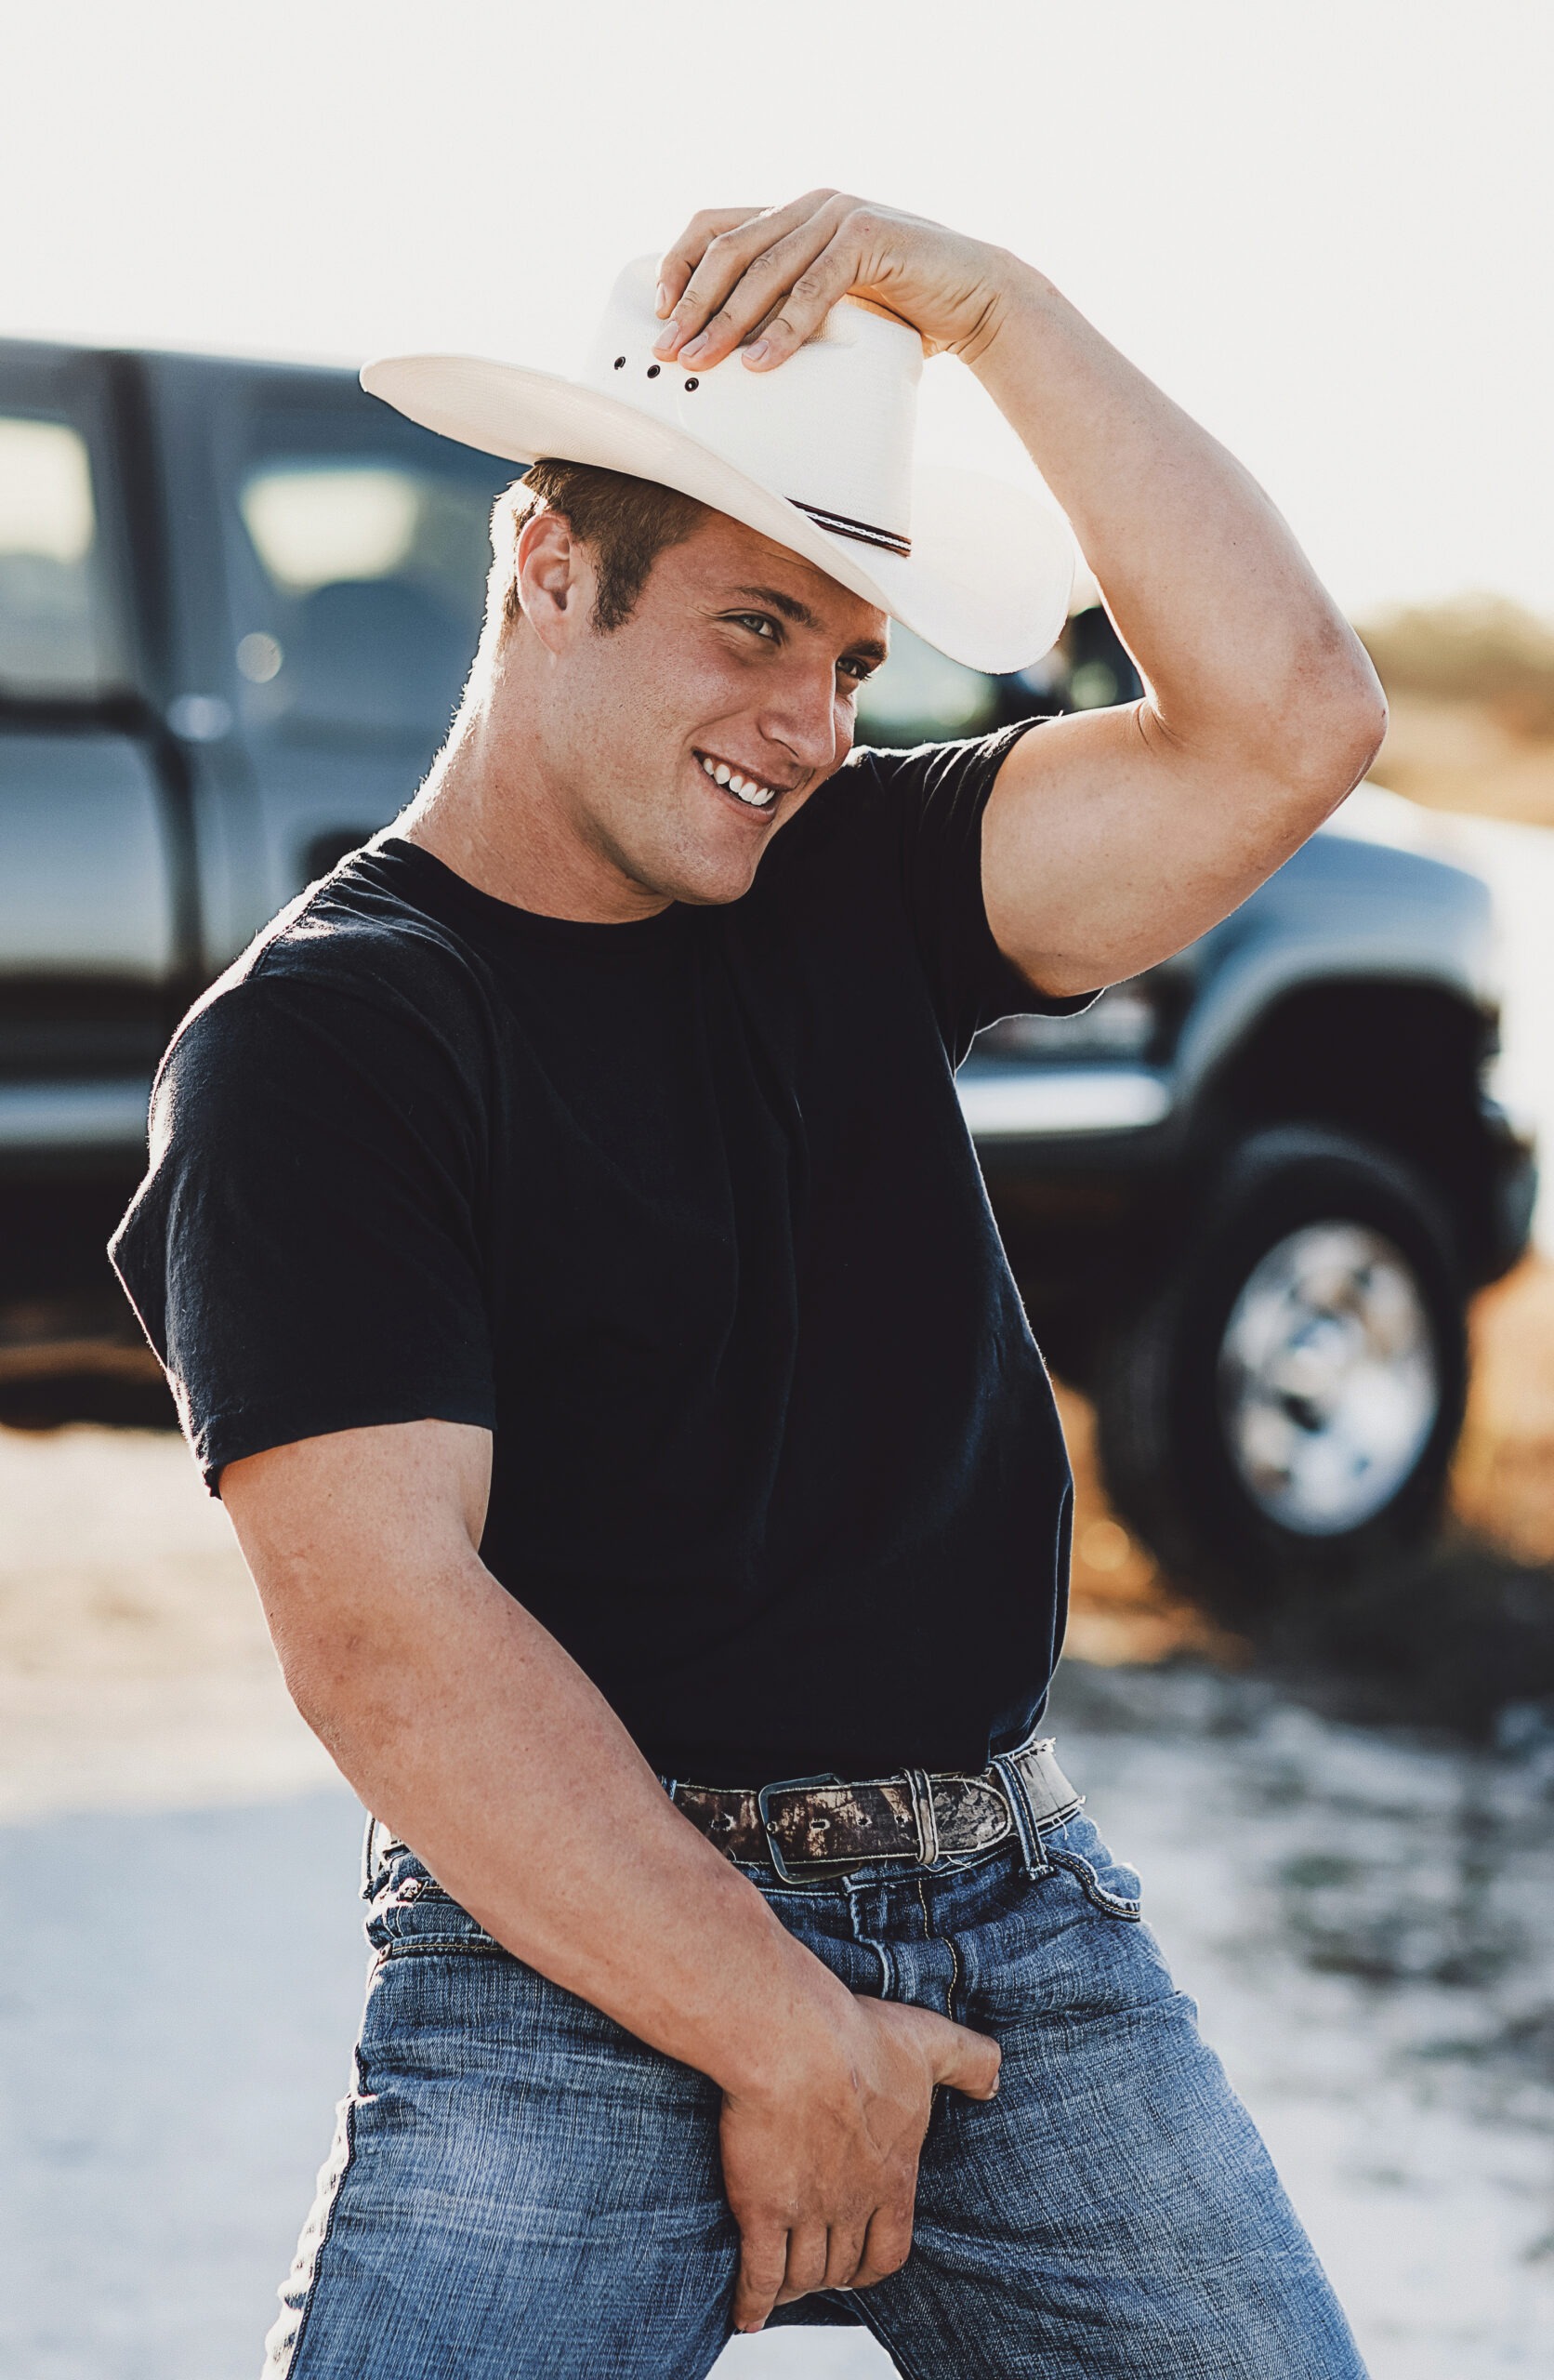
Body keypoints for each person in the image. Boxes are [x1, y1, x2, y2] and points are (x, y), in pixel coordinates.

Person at [112, 194, 1383, 2378]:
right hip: (573, 1946)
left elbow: (1285, 722)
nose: (804, 719)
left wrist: (988, 306)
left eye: (848, 660)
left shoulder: (862, 880)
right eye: (749, 629)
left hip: (1008, 1922)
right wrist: (776, 2027)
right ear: (543, 569)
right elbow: (388, 1641)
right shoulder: (322, 1040)